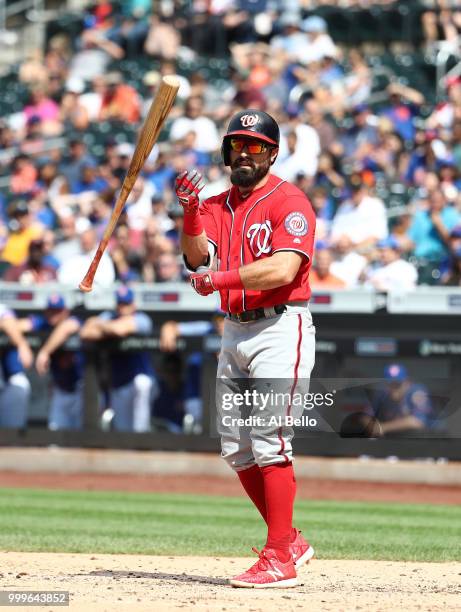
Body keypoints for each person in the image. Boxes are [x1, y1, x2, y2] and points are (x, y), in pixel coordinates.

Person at [176, 109, 316, 588]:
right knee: (237, 448)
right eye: (238, 144)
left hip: (280, 327)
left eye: (255, 146)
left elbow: (281, 270)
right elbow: (196, 256)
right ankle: (290, 538)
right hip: (235, 331)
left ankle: (280, 557)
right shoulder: (217, 204)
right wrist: (191, 213)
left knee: (269, 439)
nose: (244, 153)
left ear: (272, 154)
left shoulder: (290, 200)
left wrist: (221, 278)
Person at [80, 286, 155, 432]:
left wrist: (99, 324)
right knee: (123, 430)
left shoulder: (142, 319)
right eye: (120, 304)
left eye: (126, 304)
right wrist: (108, 327)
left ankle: (142, 435)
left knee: (142, 384)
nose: (122, 308)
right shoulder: (110, 317)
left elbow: (119, 330)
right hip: (119, 384)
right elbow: (85, 332)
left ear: (133, 305)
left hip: (140, 379)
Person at [19, 294, 84, 430]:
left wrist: (45, 352)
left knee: (81, 439)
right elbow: (21, 325)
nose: (53, 314)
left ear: (65, 311)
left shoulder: (72, 321)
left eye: (57, 310)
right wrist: (21, 344)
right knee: (55, 440)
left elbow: (68, 326)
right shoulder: (43, 323)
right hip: (60, 391)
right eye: (51, 310)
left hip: (81, 391)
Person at [369, 364, 436, 435]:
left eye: (397, 384)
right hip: (399, 438)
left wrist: (383, 427)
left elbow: (418, 421)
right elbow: (368, 416)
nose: (393, 389)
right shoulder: (382, 394)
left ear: (407, 382)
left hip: (428, 437)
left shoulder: (417, 392)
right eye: (390, 384)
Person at [0, 305, 33, 428]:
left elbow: (9, 322)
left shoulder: (2, 309)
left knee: (20, 385)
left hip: (8, 380)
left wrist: (22, 344)